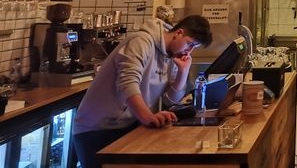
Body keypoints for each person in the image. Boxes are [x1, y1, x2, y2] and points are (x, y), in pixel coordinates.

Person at [73, 15, 213, 168]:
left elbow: (170, 100)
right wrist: (148, 117)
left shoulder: (172, 55)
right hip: (96, 130)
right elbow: (127, 83)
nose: (189, 51)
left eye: (194, 47)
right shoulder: (141, 41)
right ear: (179, 33)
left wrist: (183, 72)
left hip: (128, 126)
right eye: (190, 44)